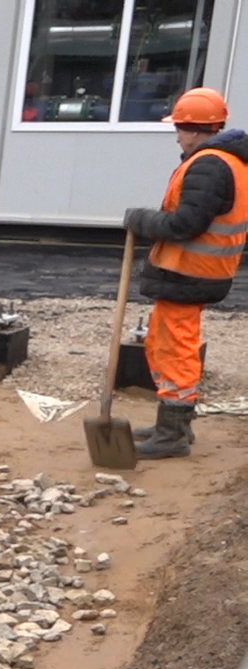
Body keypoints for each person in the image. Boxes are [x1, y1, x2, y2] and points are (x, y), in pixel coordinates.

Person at [121, 86, 248, 459]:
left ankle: (172, 434)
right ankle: (172, 425)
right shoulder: (230, 163)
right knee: (162, 341)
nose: (176, 134)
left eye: (178, 127)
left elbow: (186, 223)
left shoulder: (210, 164)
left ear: (193, 129)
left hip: (189, 271)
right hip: (198, 270)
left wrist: (140, 219)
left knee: (175, 348)